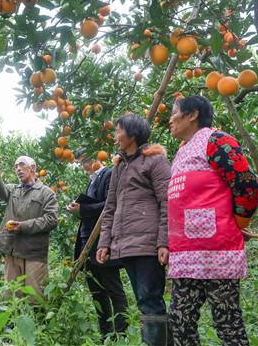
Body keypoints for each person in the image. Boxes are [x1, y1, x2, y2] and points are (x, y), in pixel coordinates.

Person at [167, 95, 258, 346]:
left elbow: (247, 186)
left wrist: (239, 223)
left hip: (217, 252)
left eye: (174, 112)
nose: (170, 119)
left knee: (227, 324)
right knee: (179, 321)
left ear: (192, 114)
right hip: (185, 254)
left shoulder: (216, 141)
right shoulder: (182, 151)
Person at [96, 114, 171, 346]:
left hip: (148, 244)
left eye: (119, 131)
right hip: (126, 244)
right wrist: (104, 242)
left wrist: (164, 242)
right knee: (143, 300)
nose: (115, 136)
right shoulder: (119, 167)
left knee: (150, 299)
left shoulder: (155, 162)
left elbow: (168, 202)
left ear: (133, 134)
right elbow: (110, 207)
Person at [66, 150, 128, 340]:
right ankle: (106, 334)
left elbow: (111, 204)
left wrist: (83, 209)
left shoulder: (108, 174)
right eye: (81, 162)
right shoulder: (93, 179)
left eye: (86, 160)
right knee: (97, 292)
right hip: (88, 245)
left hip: (102, 242)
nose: (84, 165)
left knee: (112, 287)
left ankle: (121, 333)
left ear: (97, 157)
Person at [0, 155, 58, 302]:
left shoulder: (46, 193)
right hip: (12, 249)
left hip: (33, 252)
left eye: (21, 165)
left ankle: (40, 324)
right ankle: (12, 325)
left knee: (36, 297)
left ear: (32, 168)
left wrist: (23, 226)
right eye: (15, 166)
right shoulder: (13, 190)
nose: (18, 169)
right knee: (11, 296)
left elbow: (51, 220)